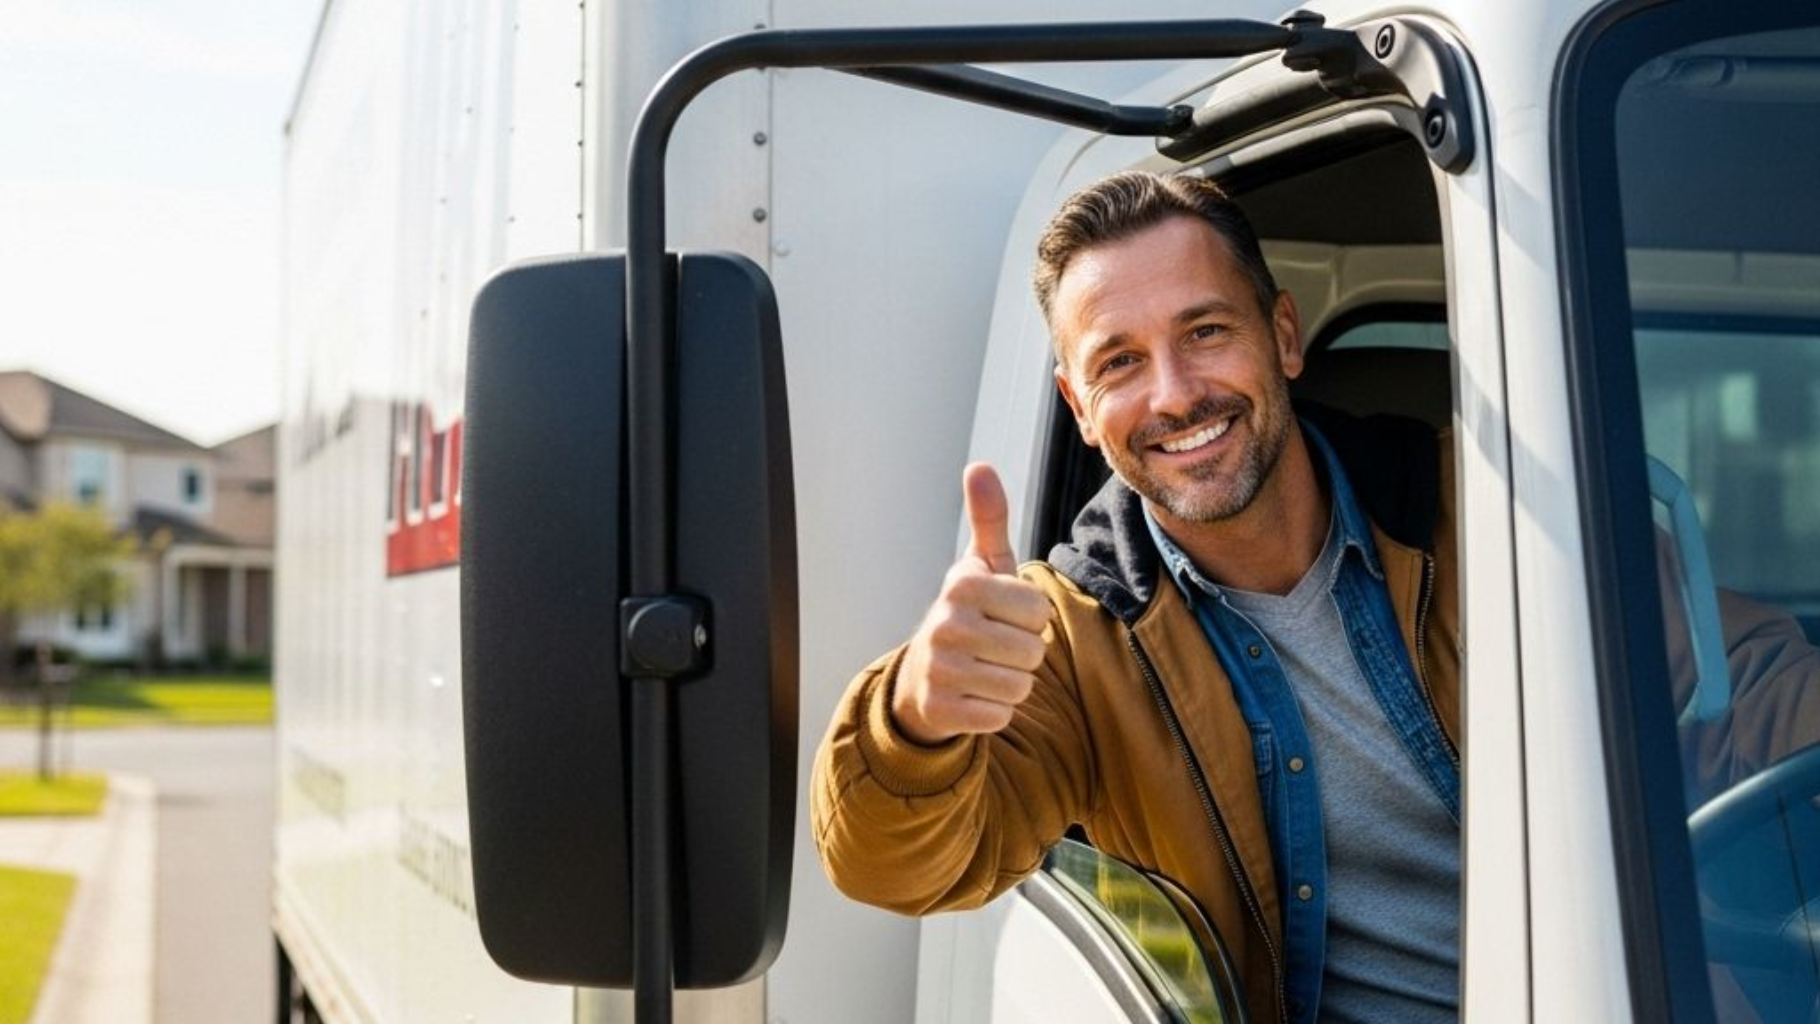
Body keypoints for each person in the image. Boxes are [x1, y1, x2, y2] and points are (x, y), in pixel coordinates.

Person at [812, 169, 1462, 1024]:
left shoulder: (1487, 511)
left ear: (1283, 335)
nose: (1174, 393)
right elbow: (895, 869)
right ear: (1080, 407)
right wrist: (915, 721)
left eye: (1205, 331)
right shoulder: (1075, 635)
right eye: (1120, 362)